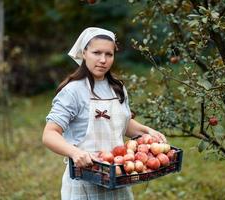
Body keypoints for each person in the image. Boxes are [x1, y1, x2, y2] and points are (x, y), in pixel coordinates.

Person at [42, 27, 166, 200]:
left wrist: (146, 131)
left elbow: (121, 122)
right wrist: (75, 153)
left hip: (118, 177)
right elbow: (50, 134)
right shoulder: (73, 91)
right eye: (96, 52)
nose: (103, 60)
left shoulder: (117, 87)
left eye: (109, 54)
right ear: (84, 53)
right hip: (85, 180)